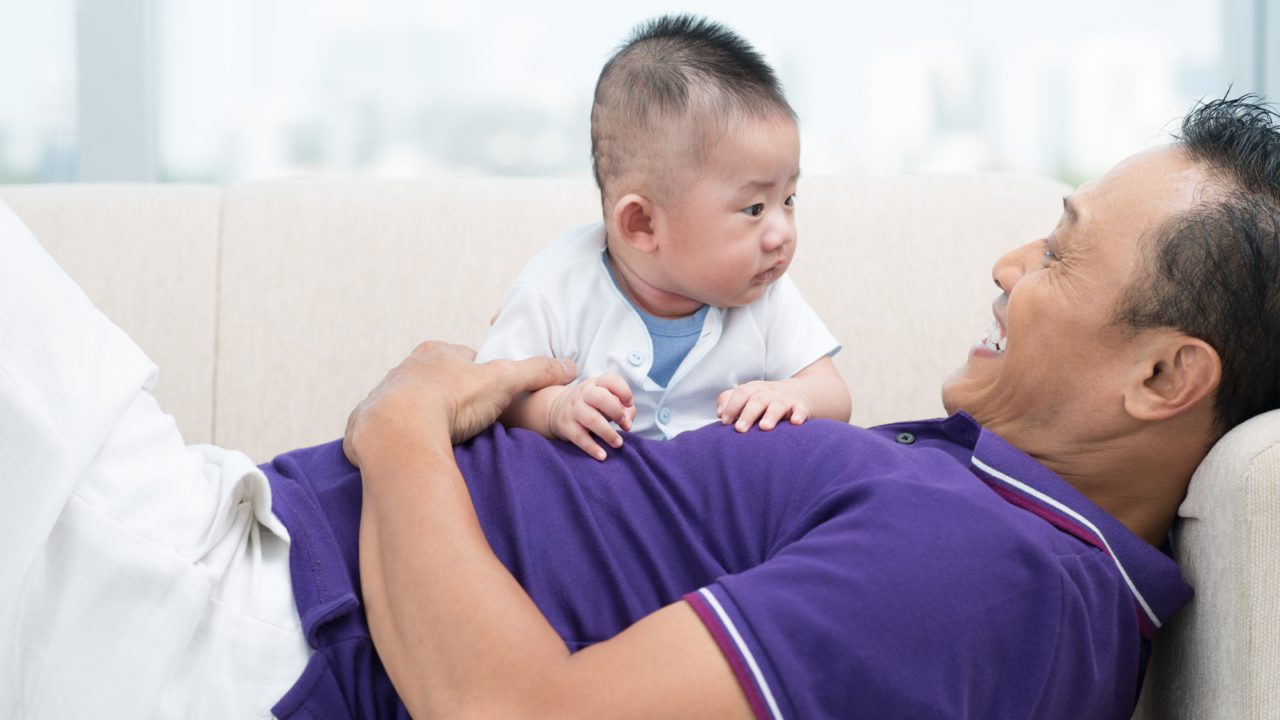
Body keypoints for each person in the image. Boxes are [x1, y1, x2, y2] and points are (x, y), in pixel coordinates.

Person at [3, 97, 1279, 718]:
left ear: (1165, 377)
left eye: (1057, 256)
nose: (1006, 267)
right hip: (241, 571)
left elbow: (517, 719)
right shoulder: (1000, 514)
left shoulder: (991, 575)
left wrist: (399, 426)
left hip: (244, 622)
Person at [475, 15, 851, 460]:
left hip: (721, 499)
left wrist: (797, 395)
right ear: (643, 225)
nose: (781, 233)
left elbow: (834, 393)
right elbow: (490, 396)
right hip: (600, 497)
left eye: (788, 200)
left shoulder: (764, 295)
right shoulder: (555, 290)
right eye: (754, 208)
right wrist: (554, 407)